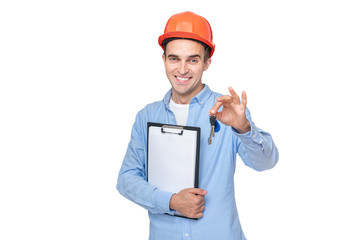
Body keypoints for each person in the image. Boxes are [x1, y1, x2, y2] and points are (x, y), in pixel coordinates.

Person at [116, 11, 279, 240]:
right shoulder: (147, 116)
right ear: (164, 59)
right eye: (174, 58)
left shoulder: (228, 110)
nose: (182, 70)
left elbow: (266, 162)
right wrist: (171, 202)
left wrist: (243, 129)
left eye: (192, 60)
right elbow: (126, 180)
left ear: (206, 63)